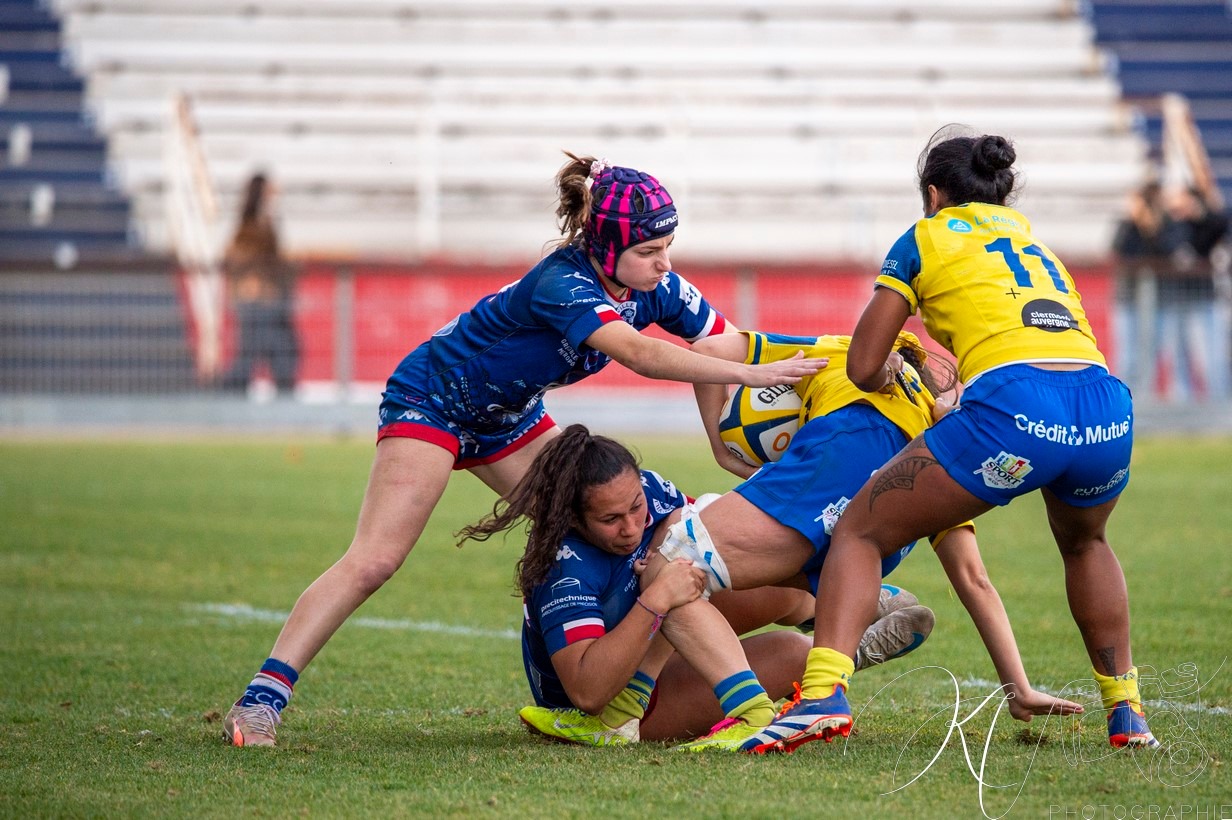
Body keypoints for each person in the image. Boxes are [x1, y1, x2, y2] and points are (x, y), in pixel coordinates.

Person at [220, 153, 826, 747]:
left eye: (668, 247)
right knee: (376, 559)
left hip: (510, 417)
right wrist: (751, 376)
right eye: (649, 251)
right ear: (606, 248)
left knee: (662, 522)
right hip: (433, 401)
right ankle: (261, 700)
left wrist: (730, 429)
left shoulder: (654, 283)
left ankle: (811, 613)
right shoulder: (562, 282)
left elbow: (720, 344)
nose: (664, 264)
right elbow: (642, 354)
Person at [743, 127, 1156, 754]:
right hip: (1105, 405)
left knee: (860, 530)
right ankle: (1126, 713)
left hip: (1017, 406)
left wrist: (896, 375)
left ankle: (821, 696)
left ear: (934, 195)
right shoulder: (1035, 243)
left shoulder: (926, 235)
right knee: (1087, 543)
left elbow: (862, 365)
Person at [633, 327, 1081, 753]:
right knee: (768, 571)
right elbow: (974, 579)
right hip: (874, 531)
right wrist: (1018, 687)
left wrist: (720, 445)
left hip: (838, 453)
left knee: (673, 562)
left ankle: (738, 711)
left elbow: (708, 350)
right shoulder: (939, 449)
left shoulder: (838, 352)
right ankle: (849, 609)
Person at [457, 424, 929, 750]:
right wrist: (654, 600)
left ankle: (830, 604)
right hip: (613, 698)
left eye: (635, 507)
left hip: (666, 635)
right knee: (792, 653)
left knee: (695, 549)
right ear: (574, 519)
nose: (631, 526)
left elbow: (717, 544)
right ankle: (846, 654)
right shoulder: (565, 567)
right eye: (611, 519)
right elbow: (587, 690)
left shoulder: (651, 491)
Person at [220, 172, 299, 397]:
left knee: (272, 353)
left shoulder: (264, 224)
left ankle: (231, 394)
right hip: (258, 301)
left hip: (269, 299)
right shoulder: (249, 227)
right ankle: (229, 394)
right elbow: (240, 258)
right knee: (260, 354)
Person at [1157, 184, 1231, 401]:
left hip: (1202, 298)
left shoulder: (1205, 224)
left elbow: (1219, 225)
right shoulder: (1171, 224)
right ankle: (1181, 399)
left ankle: (1217, 398)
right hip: (1175, 298)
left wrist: (1199, 214)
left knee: (1209, 352)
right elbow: (1161, 244)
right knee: (1177, 352)